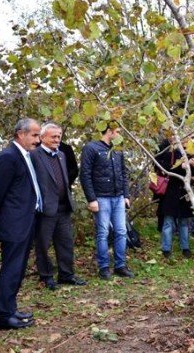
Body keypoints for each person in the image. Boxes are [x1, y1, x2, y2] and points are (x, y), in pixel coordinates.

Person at [0, 119, 42, 330]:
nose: (38, 140)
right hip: (13, 224)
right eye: (34, 136)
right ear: (21, 134)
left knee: (18, 269)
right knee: (11, 269)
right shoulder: (8, 157)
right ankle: (3, 316)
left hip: (27, 221)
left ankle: (10, 310)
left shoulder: (24, 155)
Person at [31, 123, 86, 291]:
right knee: (43, 244)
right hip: (46, 209)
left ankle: (66, 274)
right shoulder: (34, 155)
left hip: (63, 208)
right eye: (53, 136)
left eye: (59, 136)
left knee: (65, 243)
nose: (57, 139)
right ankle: (46, 276)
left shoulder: (61, 155)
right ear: (42, 137)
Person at [80, 123, 133, 280]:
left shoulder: (118, 150)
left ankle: (120, 266)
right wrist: (91, 199)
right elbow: (85, 175)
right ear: (109, 131)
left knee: (121, 232)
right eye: (117, 132)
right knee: (103, 233)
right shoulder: (91, 148)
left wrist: (126, 195)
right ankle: (104, 268)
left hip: (118, 197)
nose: (119, 135)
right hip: (101, 198)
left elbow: (123, 173)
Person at [156, 137, 194, 258]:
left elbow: (193, 175)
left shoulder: (188, 150)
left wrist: (193, 167)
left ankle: (185, 247)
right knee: (168, 221)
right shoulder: (165, 148)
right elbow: (161, 168)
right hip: (170, 191)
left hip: (184, 191)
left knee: (184, 221)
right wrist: (182, 166)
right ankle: (166, 249)